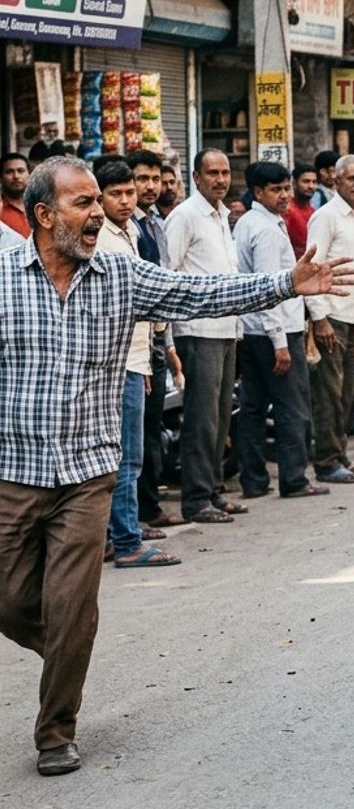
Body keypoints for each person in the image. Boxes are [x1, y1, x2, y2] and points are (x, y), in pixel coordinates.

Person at [0, 155, 354, 776]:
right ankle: (64, 643)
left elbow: (200, 291)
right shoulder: (2, 277)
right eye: (82, 204)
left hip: (87, 473)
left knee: (73, 604)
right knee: (13, 603)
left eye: (97, 202)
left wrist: (284, 284)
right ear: (43, 215)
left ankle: (55, 730)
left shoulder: (119, 273)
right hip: (14, 469)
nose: (104, 213)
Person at [94, 160, 179, 568]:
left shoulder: (132, 231)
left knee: (128, 454)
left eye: (129, 192)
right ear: (99, 197)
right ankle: (126, 541)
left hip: (137, 357)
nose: (126, 200)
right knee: (125, 456)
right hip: (120, 361)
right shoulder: (104, 241)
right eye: (117, 194)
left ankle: (117, 534)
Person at [234, 162, 328, 500]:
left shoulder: (250, 223)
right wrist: (280, 343)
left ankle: (255, 480)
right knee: (293, 408)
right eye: (277, 189)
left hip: (251, 330)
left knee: (253, 407)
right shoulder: (266, 231)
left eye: (286, 188)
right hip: (274, 332)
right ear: (258, 192)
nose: (285, 195)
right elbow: (268, 290)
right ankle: (294, 478)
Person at [165, 149, 248, 523]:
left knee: (220, 416)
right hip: (197, 331)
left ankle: (213, 490)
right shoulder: (185, 217)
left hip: (226, 327)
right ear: (196, 177)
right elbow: (168, 275)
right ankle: (196, 499)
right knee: (201, 419)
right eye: (212, 173)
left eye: (225, 172)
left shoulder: (221, 216)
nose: (220, 179)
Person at [306, 154, 354, 483]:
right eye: (352, 179)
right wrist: (319, 319)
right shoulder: (326, 217)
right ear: (335, 181)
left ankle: (341, 455)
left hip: (351, 317)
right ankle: (326, 460)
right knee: (329, 394)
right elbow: (312, 270)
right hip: (330, 316)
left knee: (348, 393)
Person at [124, 149, 184, 531]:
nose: (149, 186)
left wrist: (169, 344)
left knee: (149, 428)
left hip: (157, 338)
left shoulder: (155, 224)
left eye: (155, 179)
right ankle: (136, 514)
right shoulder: (122, 228)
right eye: (140, 179)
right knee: (133, 436)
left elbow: (169, 288)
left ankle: (148, 506)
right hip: (136, 345)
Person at [286, 163, 318, 260]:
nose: (311, 186)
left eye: (314, 182)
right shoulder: (286, 211)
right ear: (294, 184)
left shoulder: (315, 212)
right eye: (306, 181)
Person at [1, 152, 31, 237]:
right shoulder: (1, 209)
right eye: (9, 172)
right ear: (1, 177)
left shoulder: (39, 206)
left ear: (29, 174)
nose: (16, 176)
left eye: (21, 171)